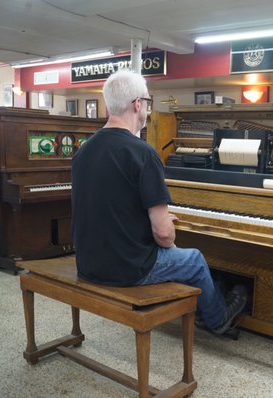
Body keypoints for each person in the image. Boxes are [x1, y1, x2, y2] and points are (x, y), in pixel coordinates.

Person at [71, 70, 246, 334]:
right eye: (147, 104)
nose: (147, 112)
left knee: (183, 256)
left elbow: (111, 204)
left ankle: (204, 302)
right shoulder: (142, 152)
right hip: (128, 270)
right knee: (196, 260)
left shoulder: (84, 150)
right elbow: (163, 234)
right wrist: (166, 228)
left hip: (88, 264)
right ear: (137, 104)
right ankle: (218, 318)